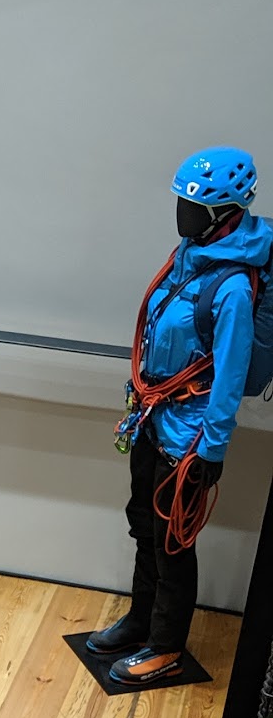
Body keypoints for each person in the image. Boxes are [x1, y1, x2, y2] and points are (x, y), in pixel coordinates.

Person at [88, 146, 272, 685]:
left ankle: (165, 646)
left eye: (193, 207)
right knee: (143, 524)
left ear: (225, 214)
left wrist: (211, 449)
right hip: (153, 417)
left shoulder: (232, 287)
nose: (181, 214)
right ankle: (141, 619)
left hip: (189, 436)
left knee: (173, 542)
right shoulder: (190, 256)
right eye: (182, 202)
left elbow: (230, 378)